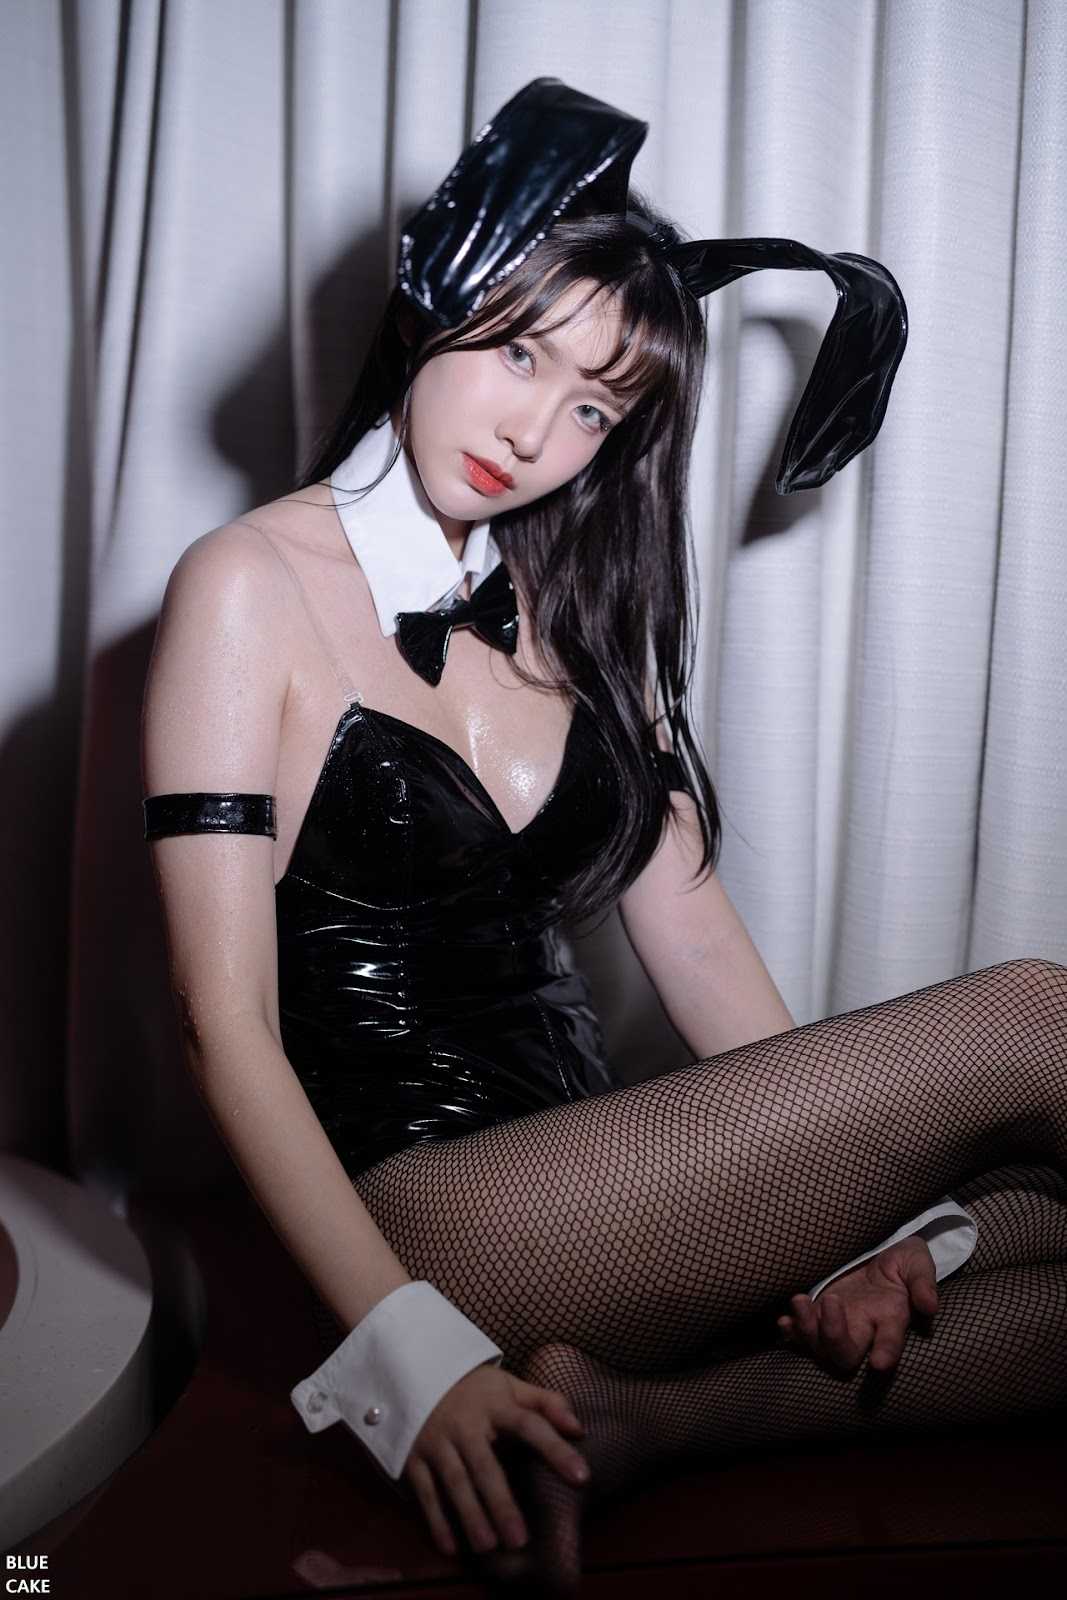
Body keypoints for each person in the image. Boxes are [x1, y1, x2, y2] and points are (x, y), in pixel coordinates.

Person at [141, 79, 1067, 1594]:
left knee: (1021, 1226)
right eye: (520, 352)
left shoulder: (574, 610)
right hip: (427, 1220)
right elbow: (217, 1019)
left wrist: (861, 1231)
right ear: (438, 304)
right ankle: (566, 1374)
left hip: (613, 1200)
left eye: (594, 406)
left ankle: (643, 1423)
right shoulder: (247, 582)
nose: (536, 431)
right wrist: (411, 1352)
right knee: (1039, 1020)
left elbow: (699, 948)